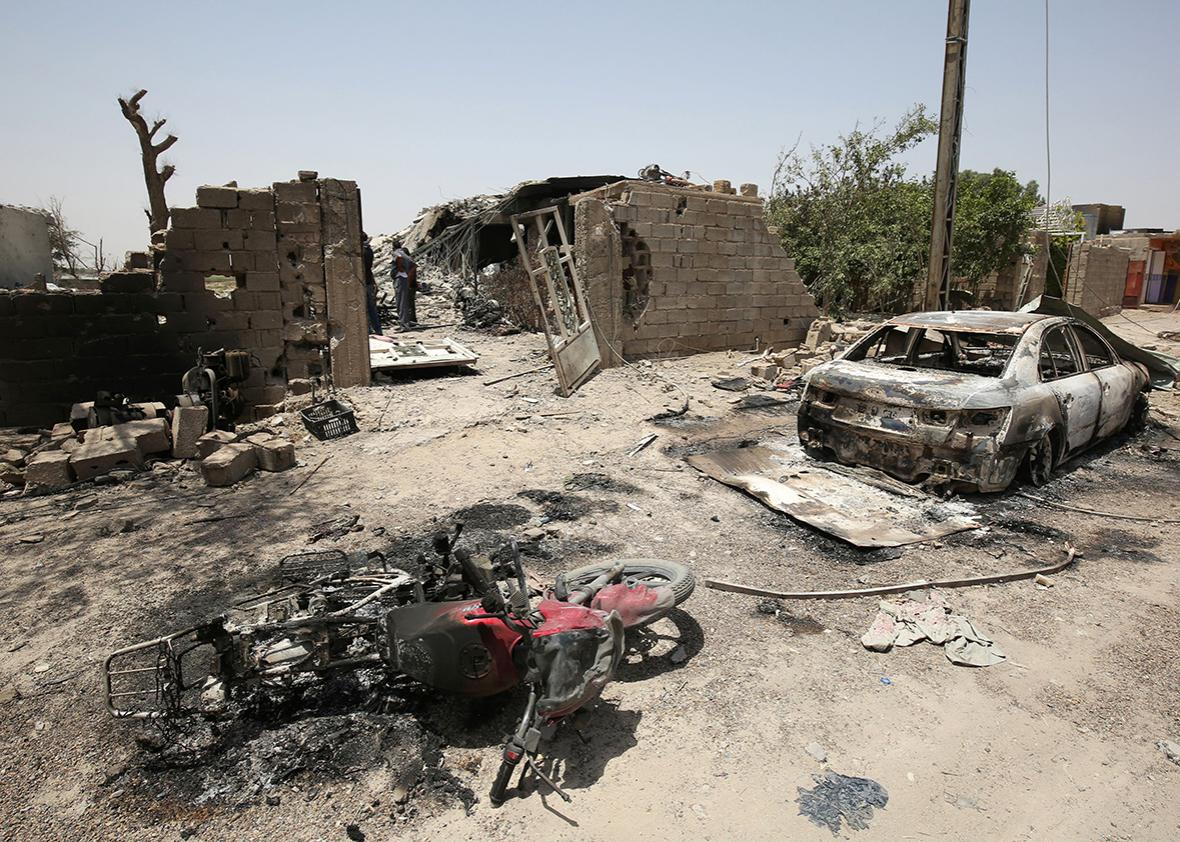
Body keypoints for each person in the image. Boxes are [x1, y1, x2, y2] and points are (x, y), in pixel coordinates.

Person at [392, 240, 418, 331]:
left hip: (400, 279)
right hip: (404, 279)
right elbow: (413, 264)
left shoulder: (397, 253)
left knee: (401, 303)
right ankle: (405, 323)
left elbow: (399, 259)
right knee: (404, 303)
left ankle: (404, 325)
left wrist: (401, 270)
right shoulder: (404, 254)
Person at [362, 232, 382, 335]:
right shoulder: (369, 250)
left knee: (365, 307)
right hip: (369, 281)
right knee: (371, 308)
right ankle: (377, 330)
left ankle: (369, 330)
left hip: (364, 282)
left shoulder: (363, 252)